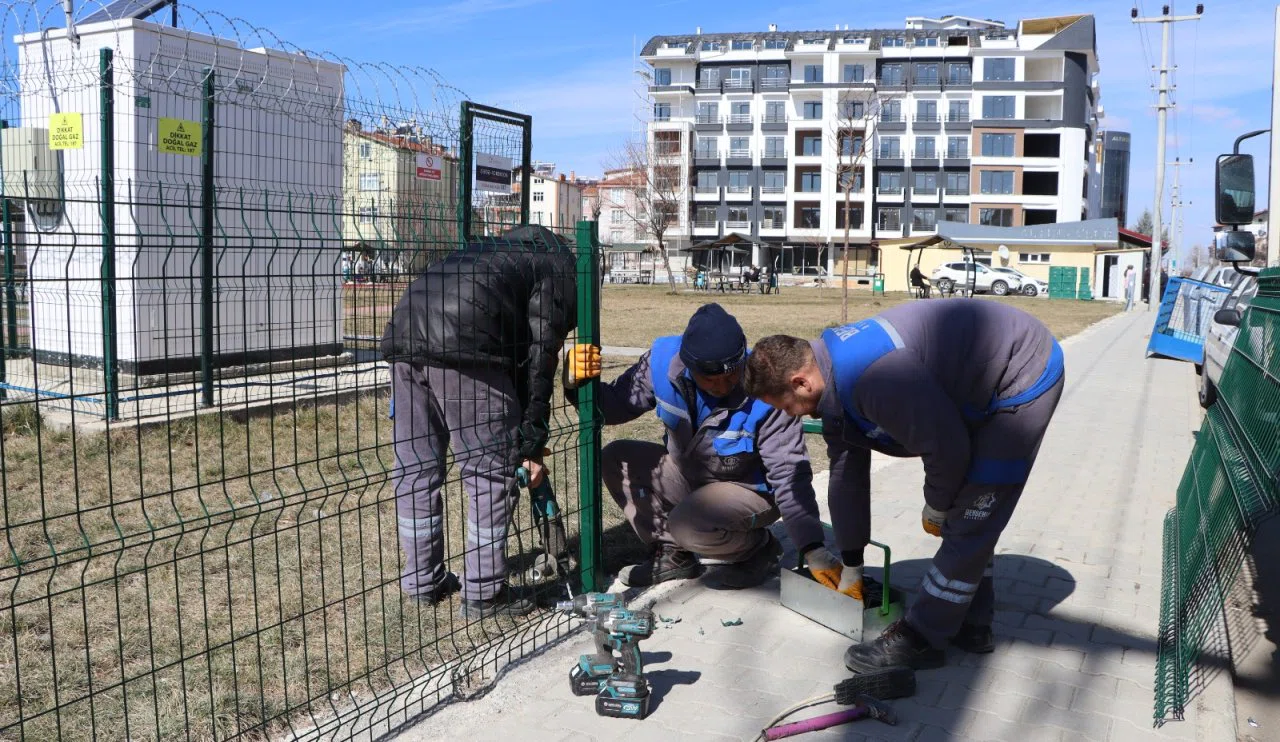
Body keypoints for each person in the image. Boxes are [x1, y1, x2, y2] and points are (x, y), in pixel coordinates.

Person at [744, 299, 1064, 671]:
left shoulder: (873, 377)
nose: (789, 416)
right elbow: (847, 474)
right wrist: (851, 563)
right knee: (966, 516)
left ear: (801, 382)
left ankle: (923, 638)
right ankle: (972, 624)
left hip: (1020, 373)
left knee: (974, 511)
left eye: (785, 406)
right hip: (972, 381)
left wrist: (937, 504)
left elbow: (947, 446)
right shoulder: (831, 379)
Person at [380, 224, 577, 618]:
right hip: (465, 343)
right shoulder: (559, 268)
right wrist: (531, 443)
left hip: (404, 336)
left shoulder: (492, 252)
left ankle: (423, 580)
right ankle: (484, 593)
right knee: (488, 474)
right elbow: (539, 359)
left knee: (416, 469)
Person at [564, 303, 826, 590]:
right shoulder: (661, 364)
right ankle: (673, 555)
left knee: (687, 524)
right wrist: (575, 384)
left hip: (750, 491)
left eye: (731, 375)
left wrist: (813, 547)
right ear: (689, 366)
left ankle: (757, 549)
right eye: (711, 379)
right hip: (691, 475)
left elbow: (789, 475)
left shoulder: (765, 391)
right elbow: (613, 408)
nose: (723, 386)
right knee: (617, 458)